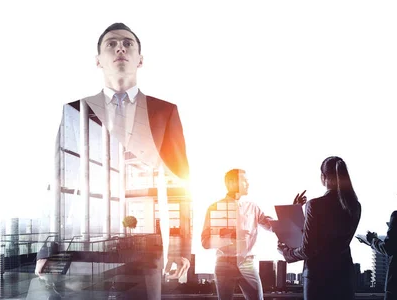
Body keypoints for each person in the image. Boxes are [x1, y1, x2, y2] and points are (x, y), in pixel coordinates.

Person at [36, 23, 190, 300]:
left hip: (148, 248)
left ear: (140, 59)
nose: (120, 47)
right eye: (111, 44)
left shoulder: (165, 111)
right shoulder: (74, 109)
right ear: (97, 60)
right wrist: (47, 249)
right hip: (85, 245)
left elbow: (182, 181)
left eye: (128, 43)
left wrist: (180, 249)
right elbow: (57, 182)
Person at [278, 156, 361, 300]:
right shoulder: (354, 206)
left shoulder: (315, 205)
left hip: (318, 278)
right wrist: (297, 210)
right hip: (344, 276)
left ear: (323, 177)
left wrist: (287, 253)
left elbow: (309, 249)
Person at [201, 169, 273, 300]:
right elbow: (205, 241)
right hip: (224, 263)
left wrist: (293, 209)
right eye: (244, 180)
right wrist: (230, 236)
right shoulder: (215, 208)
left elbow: (272, 226)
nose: (248, 184)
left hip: (247, 263)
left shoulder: (253, 207)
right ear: (232, 182)